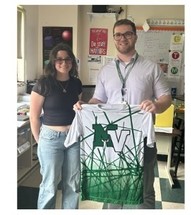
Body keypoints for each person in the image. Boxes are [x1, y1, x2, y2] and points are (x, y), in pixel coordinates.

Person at [74, 19, 172, 209]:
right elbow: (99, 100)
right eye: (118, 35)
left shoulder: (151, 68)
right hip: (112, 140)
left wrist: (156, 105)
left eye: (127, 34)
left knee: (144, 191)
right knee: (113, 187)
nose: (122, 38)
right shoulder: (105, 71)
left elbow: (166, 98)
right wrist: (84, 106)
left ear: (135, 36)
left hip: (141, 139)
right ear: (114, 38)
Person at [30, 44, 82, 209]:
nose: (64, 63)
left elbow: (77, 110)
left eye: (67, 59)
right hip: (50, 138)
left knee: (73, 184)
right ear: (53, 62)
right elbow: (34, 116)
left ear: (72, 62)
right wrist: (41, 140)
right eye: (59, 59)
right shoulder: (43, 84)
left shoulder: (76, 83)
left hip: (74, 138)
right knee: (50, 184)